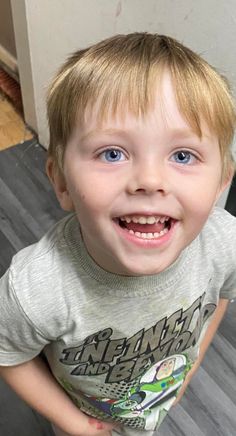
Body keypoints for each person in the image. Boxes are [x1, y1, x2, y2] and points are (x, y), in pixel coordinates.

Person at [0, 32, 236, 436]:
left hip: (157, 401)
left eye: (183, 155)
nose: (149, 180)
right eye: (112, 153)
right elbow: (9, 355)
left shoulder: (224, 244)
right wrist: (74, 424)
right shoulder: (35, 289)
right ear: (61, 183)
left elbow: (221, 296)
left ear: (220, 184)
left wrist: (190, 366)